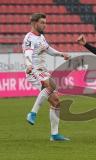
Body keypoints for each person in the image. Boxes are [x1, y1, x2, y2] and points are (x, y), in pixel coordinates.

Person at [22, 13, 70, 141]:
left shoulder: (41, 37)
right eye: (42, 22)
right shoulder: (29, 38)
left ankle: (54, 135)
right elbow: (27, 53)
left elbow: (49, 49)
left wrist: (61, 54)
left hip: (43, 70)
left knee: (56, 102)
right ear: (34, 23)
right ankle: (32, 113)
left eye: (45, 22)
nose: (45, 25)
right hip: (33, 70)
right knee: (51, 85)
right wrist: (28, 65)